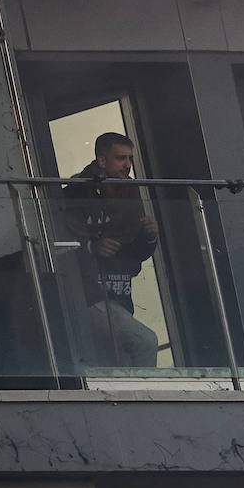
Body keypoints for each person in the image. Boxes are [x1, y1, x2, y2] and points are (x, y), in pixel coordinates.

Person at [62, 132, 160, 368]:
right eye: (120, 158)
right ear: (102, 161)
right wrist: (91, 247)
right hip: (86, 295)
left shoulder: (130, 193)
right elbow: (57, 243)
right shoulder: (73, 194)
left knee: (118, 364)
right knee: (145, 342)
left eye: (129, 158)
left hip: (120, 295)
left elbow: (134, 252)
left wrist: (150, 235)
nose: (128, 165)